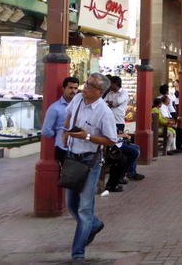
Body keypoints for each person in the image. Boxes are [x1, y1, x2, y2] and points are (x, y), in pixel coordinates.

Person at [64, 73, 117, 261]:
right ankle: (94, 225)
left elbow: (111, 140)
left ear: (100, 92)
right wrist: (65, 138)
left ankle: (77, 254)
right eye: (86, 83)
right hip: (72, 158)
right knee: (71, 204)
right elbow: (69, 115)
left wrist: (87, 137)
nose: (85, 88)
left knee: (84, 209)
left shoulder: (104, 112)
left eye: (90, 86)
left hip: (90, 162)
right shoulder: (78, 99)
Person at [41, 77, 79, 167]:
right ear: (63, 89)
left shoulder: (80, 106)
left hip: (78, 147)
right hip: (63, 148)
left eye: (75, 88)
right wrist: (58, 134)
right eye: (70, 88)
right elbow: (45, 130)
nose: (73, 91)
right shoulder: (55, 108)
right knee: (66, 177)